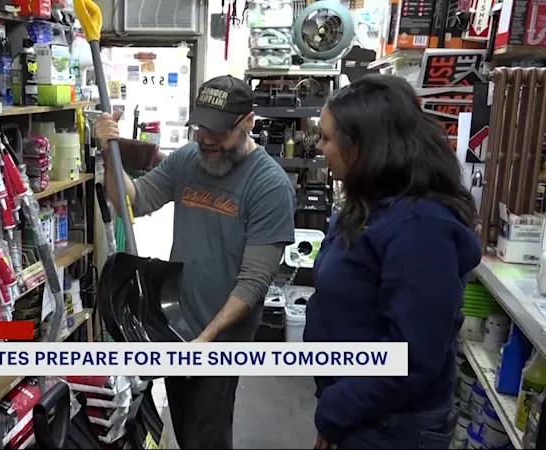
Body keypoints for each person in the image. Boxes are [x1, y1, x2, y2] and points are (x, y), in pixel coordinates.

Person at [94, 75, 297, 449]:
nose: (206, 138)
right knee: (187, 427)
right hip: (178, 324)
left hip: (220, 339)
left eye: (217, 131)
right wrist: (110, 153)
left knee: (208, 431)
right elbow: (133, 201)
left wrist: (205, 340)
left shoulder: (269, 186)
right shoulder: (190, 158)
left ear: (248, 122)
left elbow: (253, 282)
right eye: (201, 126)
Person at [305, 74, 481, 449]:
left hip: (388, 424)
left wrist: (336, 410)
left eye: (326, 137)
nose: (319, 147)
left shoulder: (419, 227)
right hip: (361, 411)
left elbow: (410, 357)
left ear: (363, 146)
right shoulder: (370, 204)